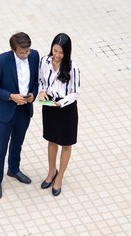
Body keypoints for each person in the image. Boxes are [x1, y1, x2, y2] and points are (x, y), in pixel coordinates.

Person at [0, 32, 40, 199]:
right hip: (6, 110)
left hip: (24, 109)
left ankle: (14, 169)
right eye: (22, 52)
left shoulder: (34, 56)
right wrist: (10, 96)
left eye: (27, 51)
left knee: (18, 142)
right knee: (1, 146)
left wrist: (33, 94)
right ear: (13, 50)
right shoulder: (1, 61)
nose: (26, 55)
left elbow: (36, 81)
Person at [37, 33, 81, 196]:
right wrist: (41, 91)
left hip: (65, 107)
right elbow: (41, 80)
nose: (56, 55)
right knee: (51, 139)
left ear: (67, 53)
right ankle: (51, 172)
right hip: (49, 105)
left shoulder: (72, 67)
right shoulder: (44, 61)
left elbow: (75, 92)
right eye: (55, 51)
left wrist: (61, 103)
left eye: (60, 53)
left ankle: (59, 177)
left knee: (66, 143)